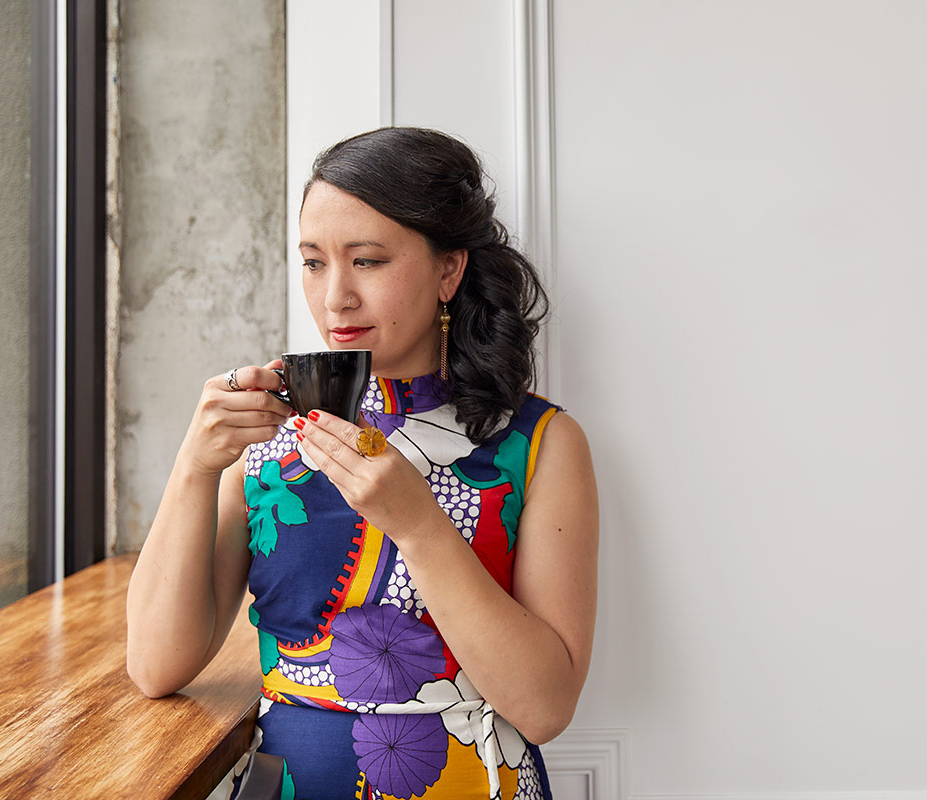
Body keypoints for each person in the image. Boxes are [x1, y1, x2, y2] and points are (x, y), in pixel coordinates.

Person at [125, 127, 599, 800]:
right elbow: (153, 666)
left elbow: (546, 708)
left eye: (368, 261)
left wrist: (419, 526)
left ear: (448, 269)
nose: (334, 297)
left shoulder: (540, 442)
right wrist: (196, 466)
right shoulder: (266, 434)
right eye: (313, 262)